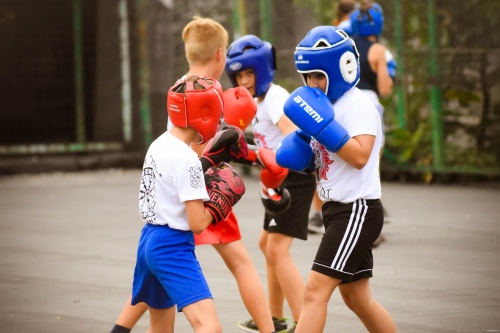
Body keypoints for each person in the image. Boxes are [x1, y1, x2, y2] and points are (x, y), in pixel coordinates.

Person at [110, 16, 277, 333]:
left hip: (160, 218)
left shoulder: (179, 93)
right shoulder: (210, 101)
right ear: (219, 54)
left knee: (155, 302)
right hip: (196, 193)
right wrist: (219, 198)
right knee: (235, 269)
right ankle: (269, 329)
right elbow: (201, 156)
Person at [276, 26, 398, 332]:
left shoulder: (359, 107)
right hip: (335, 209)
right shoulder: (324, 105)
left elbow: (359, 157)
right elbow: (317, 158)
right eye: (308, 77)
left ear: (342, 68)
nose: (312, 84)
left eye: (319, 76)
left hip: (356, 209)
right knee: (357, 299)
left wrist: (323, 129)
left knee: (314, 290)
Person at [131, 74, 245, 333]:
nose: (219, 121)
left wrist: (204, 167)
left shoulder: (159, 144)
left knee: (160, 328)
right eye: (218, 113)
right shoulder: (187, 160)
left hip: (148, 240)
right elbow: (197, 223)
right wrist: (219, 202)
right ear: (206, 113)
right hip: (172, 247)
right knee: (209, 327)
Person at [225, 34, 317, 333]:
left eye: (249, 72)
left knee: (277, 250)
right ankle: (275, 318)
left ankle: (306, 322)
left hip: (294, 178)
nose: (244, 80)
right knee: (267, 245)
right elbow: (266, 149)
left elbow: (295, 142)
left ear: (262, 69)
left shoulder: (275, 98)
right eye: (238, 74)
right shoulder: (255, 102)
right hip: (276, 178)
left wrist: (268, 157)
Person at [307, 0, 395, 237]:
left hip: (335, 102)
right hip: (367, 104)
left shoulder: (347, 47)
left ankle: (324, 212)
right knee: (368, 160)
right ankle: (365, 210)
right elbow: (385, 89)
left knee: (323, 156)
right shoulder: (378, 50)